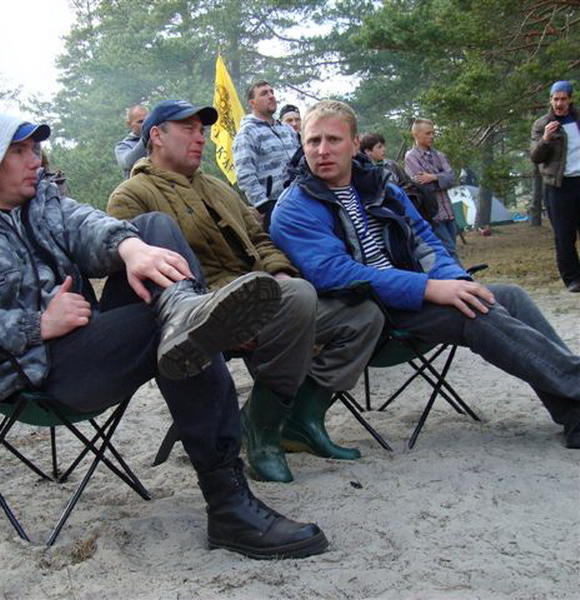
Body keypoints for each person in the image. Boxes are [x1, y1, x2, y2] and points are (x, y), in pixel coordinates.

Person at [0, 105, 330, 559]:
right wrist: (37, 324)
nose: (35, 160)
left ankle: (183, 311)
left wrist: (131, 248)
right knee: (172, 331)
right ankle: (229, 503)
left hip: (85, 341)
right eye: (19, 151)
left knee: (153, 228)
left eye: (35, 149)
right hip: (23, 370)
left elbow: (89, 225)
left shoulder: (43, 204)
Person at [270, 99, 580, 450]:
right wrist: (428, 288)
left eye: (333, 140)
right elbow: (336, 274)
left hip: (415, 296)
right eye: (313, 141)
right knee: (477, 312)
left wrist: (456, 282)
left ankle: (575, 417)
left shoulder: (380, 186)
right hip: (366, 312)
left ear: (355, 144)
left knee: (509, 296)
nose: (322, 150)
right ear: (302, 144)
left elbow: (424, 241)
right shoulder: (294, 207)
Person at [107, 99, 384, 482]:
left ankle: (297, 420)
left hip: (268, 299)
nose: (200, 138)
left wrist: (280, 274)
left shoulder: (218, 188)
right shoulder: (131, 197)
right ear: (156, 135)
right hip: (205, 318)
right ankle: (265, 437)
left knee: (364, 316)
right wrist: (233, 312)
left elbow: (261, 240)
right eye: (188, 129)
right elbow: (152, 283)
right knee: (300, 297)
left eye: (202, 131)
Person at [530, 80, 580, 293]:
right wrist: (546, 139)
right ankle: (573, 279)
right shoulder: (542, 124)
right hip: (559, 186)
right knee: (564, 235)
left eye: (563, 99)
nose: (559, 103)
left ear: (570, 99)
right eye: (555, 99)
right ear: (550, 100)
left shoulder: (578, 119)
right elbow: (535, 157)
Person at [233, 81, 300, 228]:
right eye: (264, 93)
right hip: (274, 206)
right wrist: (263, 206)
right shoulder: (247, 134)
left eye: (271, 92)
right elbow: (245, 175)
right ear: (252, 103)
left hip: (301, 201)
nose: (271, 96)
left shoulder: (288, 130)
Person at [404, 118, 460, 261]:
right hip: (433, 215)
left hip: (448, 211)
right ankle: (460, 274)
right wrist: (442, 179)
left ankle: (454, 274)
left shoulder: (439, 155)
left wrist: (433, 177)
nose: (432, 136)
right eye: (428, 133)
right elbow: (422, 187)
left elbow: (452, 178)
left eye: (433, 133)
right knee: (448, 250)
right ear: (416, 134)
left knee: (452, 248)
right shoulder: (411, 158)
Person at [361, 132, 438, 225]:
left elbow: (407, 183)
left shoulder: (391, 165)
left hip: (408, 209)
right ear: (368, 151)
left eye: (383, 146)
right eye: (379, 147)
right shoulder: (366, 173)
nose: (384, 149)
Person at [114, 104, 148, 179]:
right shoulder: (122, 146)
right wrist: (146, 137)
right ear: (129, 124)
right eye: (140, 121)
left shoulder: (158, 139)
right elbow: (129, 162)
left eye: (147, 120)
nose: (145, 124)